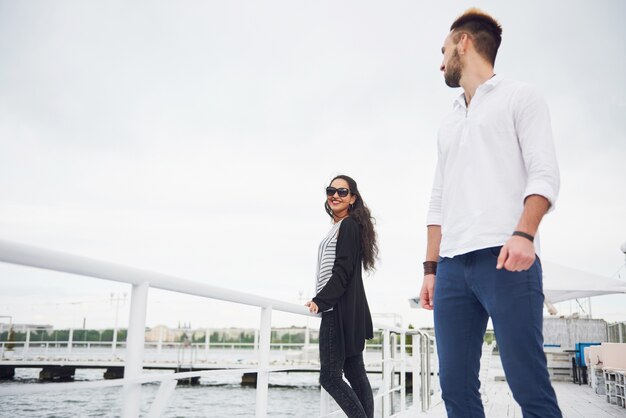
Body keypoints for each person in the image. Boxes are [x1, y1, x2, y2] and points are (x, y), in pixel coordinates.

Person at [419, 8, 563, 418]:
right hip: (451, 267)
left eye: (444, 49)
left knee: (527, 384)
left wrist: (525, 234)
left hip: (507, 258)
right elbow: (437, 197)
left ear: (464, 42)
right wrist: (431, 267)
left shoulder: (521, 96)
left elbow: (545, 173)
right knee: (455, 388)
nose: (441, 60)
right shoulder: (448, 121)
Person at [305, 174, 377, 418]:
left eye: (342, 192)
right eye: (331, 190)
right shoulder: (340, 226)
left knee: (330, 377)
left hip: (337, 309)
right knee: (355, 373)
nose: (335, 195)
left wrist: (321, 301)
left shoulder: (348, 225)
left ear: (353, 198)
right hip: (346, 309)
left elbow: (343, 271)